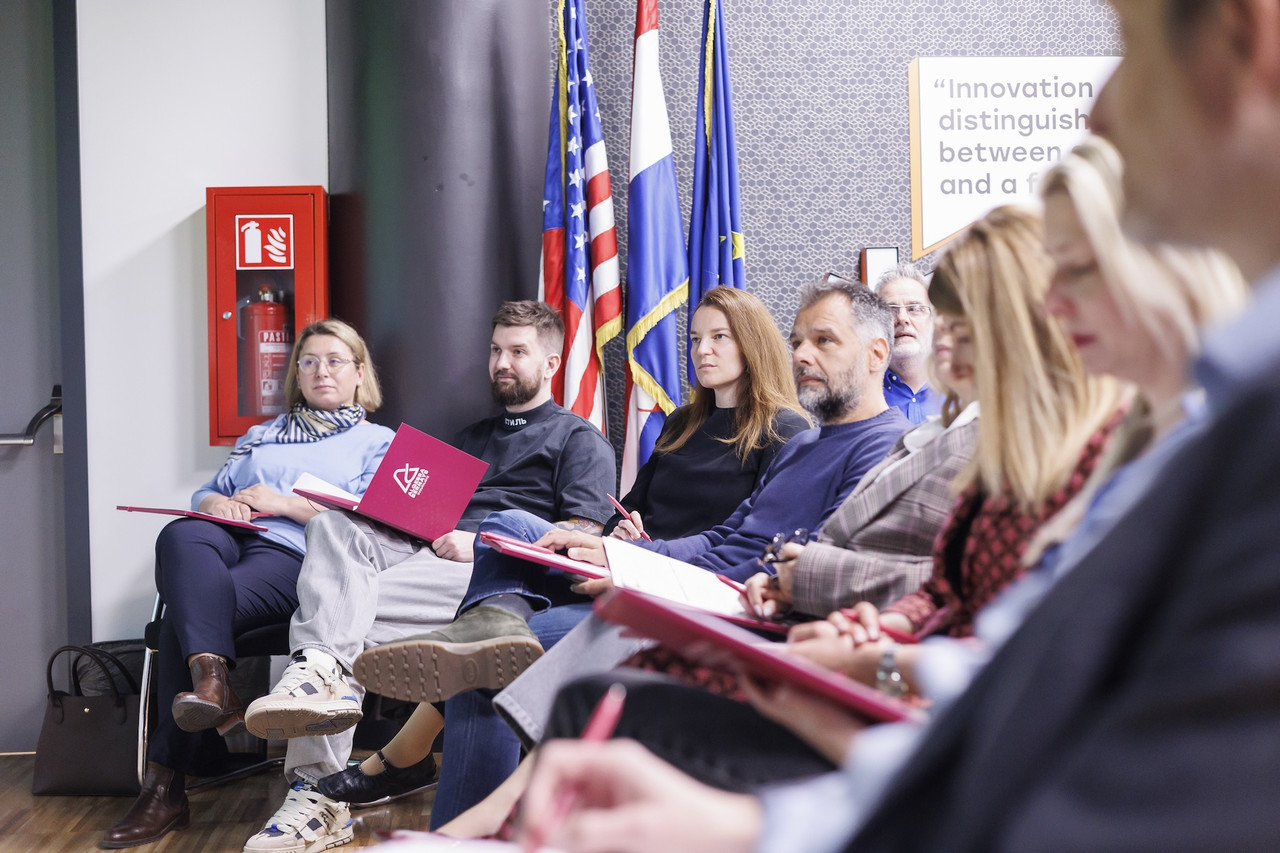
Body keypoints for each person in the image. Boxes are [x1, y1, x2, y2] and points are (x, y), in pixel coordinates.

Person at [525, 63, 1272, 847]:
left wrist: (865, 655)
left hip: (933, 744)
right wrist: (872, 641)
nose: (947, 340)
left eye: (968, 321)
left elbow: (1035, 704)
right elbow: (962, 612)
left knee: (607, 685)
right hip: (891, 694)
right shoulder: (1047, 444)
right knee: (599, 663)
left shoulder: (1142, 454)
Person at [353, 279, 912, 826]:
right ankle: (488, 637)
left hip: (714, 608)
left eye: (823, 340)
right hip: (667, 577)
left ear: (876, 354)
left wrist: (637, 569)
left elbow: (796, 566)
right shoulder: (805, 443)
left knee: (493, 664)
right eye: (798, 341)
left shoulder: (875, 444)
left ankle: (458, 816)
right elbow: (723, 537)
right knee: (509, 531)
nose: (803, 355)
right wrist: (613, 548)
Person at [237, 301, 616, 853]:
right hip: (423, 556)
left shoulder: (579, 440)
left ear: (552, 363)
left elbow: (578, 543)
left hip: (495, 576)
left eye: (518, 352)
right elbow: (418, 517)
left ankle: (317, 794)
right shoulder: (468, 438)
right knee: (333, 528)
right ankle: (316, 677)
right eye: (495, 350)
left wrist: (480, 542)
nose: (501, 363)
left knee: (338, 619)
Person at [100, 319, 395, 849]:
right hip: (228, 540)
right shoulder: (262, 434)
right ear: (297, 373)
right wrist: (218, 503)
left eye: (334, 360)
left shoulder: (377, 442)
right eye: (309, 361)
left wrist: (283, 504)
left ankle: (165, 784)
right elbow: (207, 492)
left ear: (359, 372)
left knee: (180, 621)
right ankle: (214, 682)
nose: (321, 371)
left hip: (300, 556)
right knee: (180, 533)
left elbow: (372, 525)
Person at [872, 264, 941, 424]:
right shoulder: (857, 397)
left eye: (914, 309)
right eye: (890, 310)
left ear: (933, 319)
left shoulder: (961, 391)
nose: (902, 318)